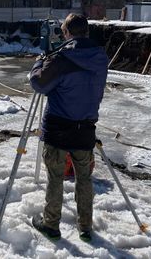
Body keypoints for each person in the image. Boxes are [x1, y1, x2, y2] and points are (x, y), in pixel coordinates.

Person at [29, 13, 108, 242]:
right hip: (85, 128)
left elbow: (40, 83)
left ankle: (51, 224)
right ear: (87, 32)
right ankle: (85, 226)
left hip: (58, 128)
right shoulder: (100, 58)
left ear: (66, 32)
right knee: (84, 178)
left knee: (55, 177)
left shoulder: (62, 58)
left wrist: (40, 61)